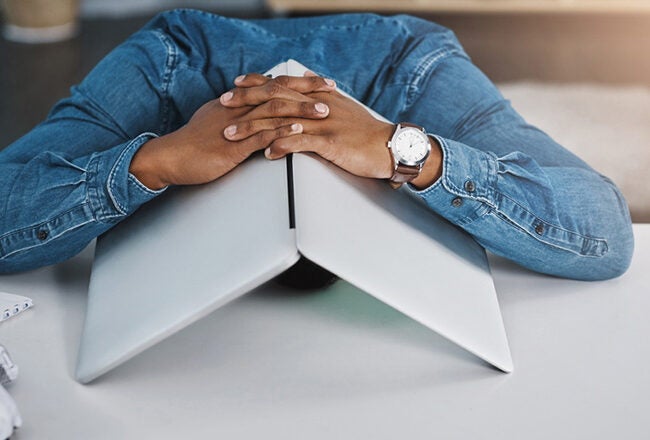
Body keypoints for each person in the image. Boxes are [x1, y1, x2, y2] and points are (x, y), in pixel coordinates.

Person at [0, 10, 634, 280]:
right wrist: (158, 159)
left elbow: (605, 232)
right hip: (182, 51)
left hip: (398, 57)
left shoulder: (421, 74)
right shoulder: (160, 68)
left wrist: (404, 149)